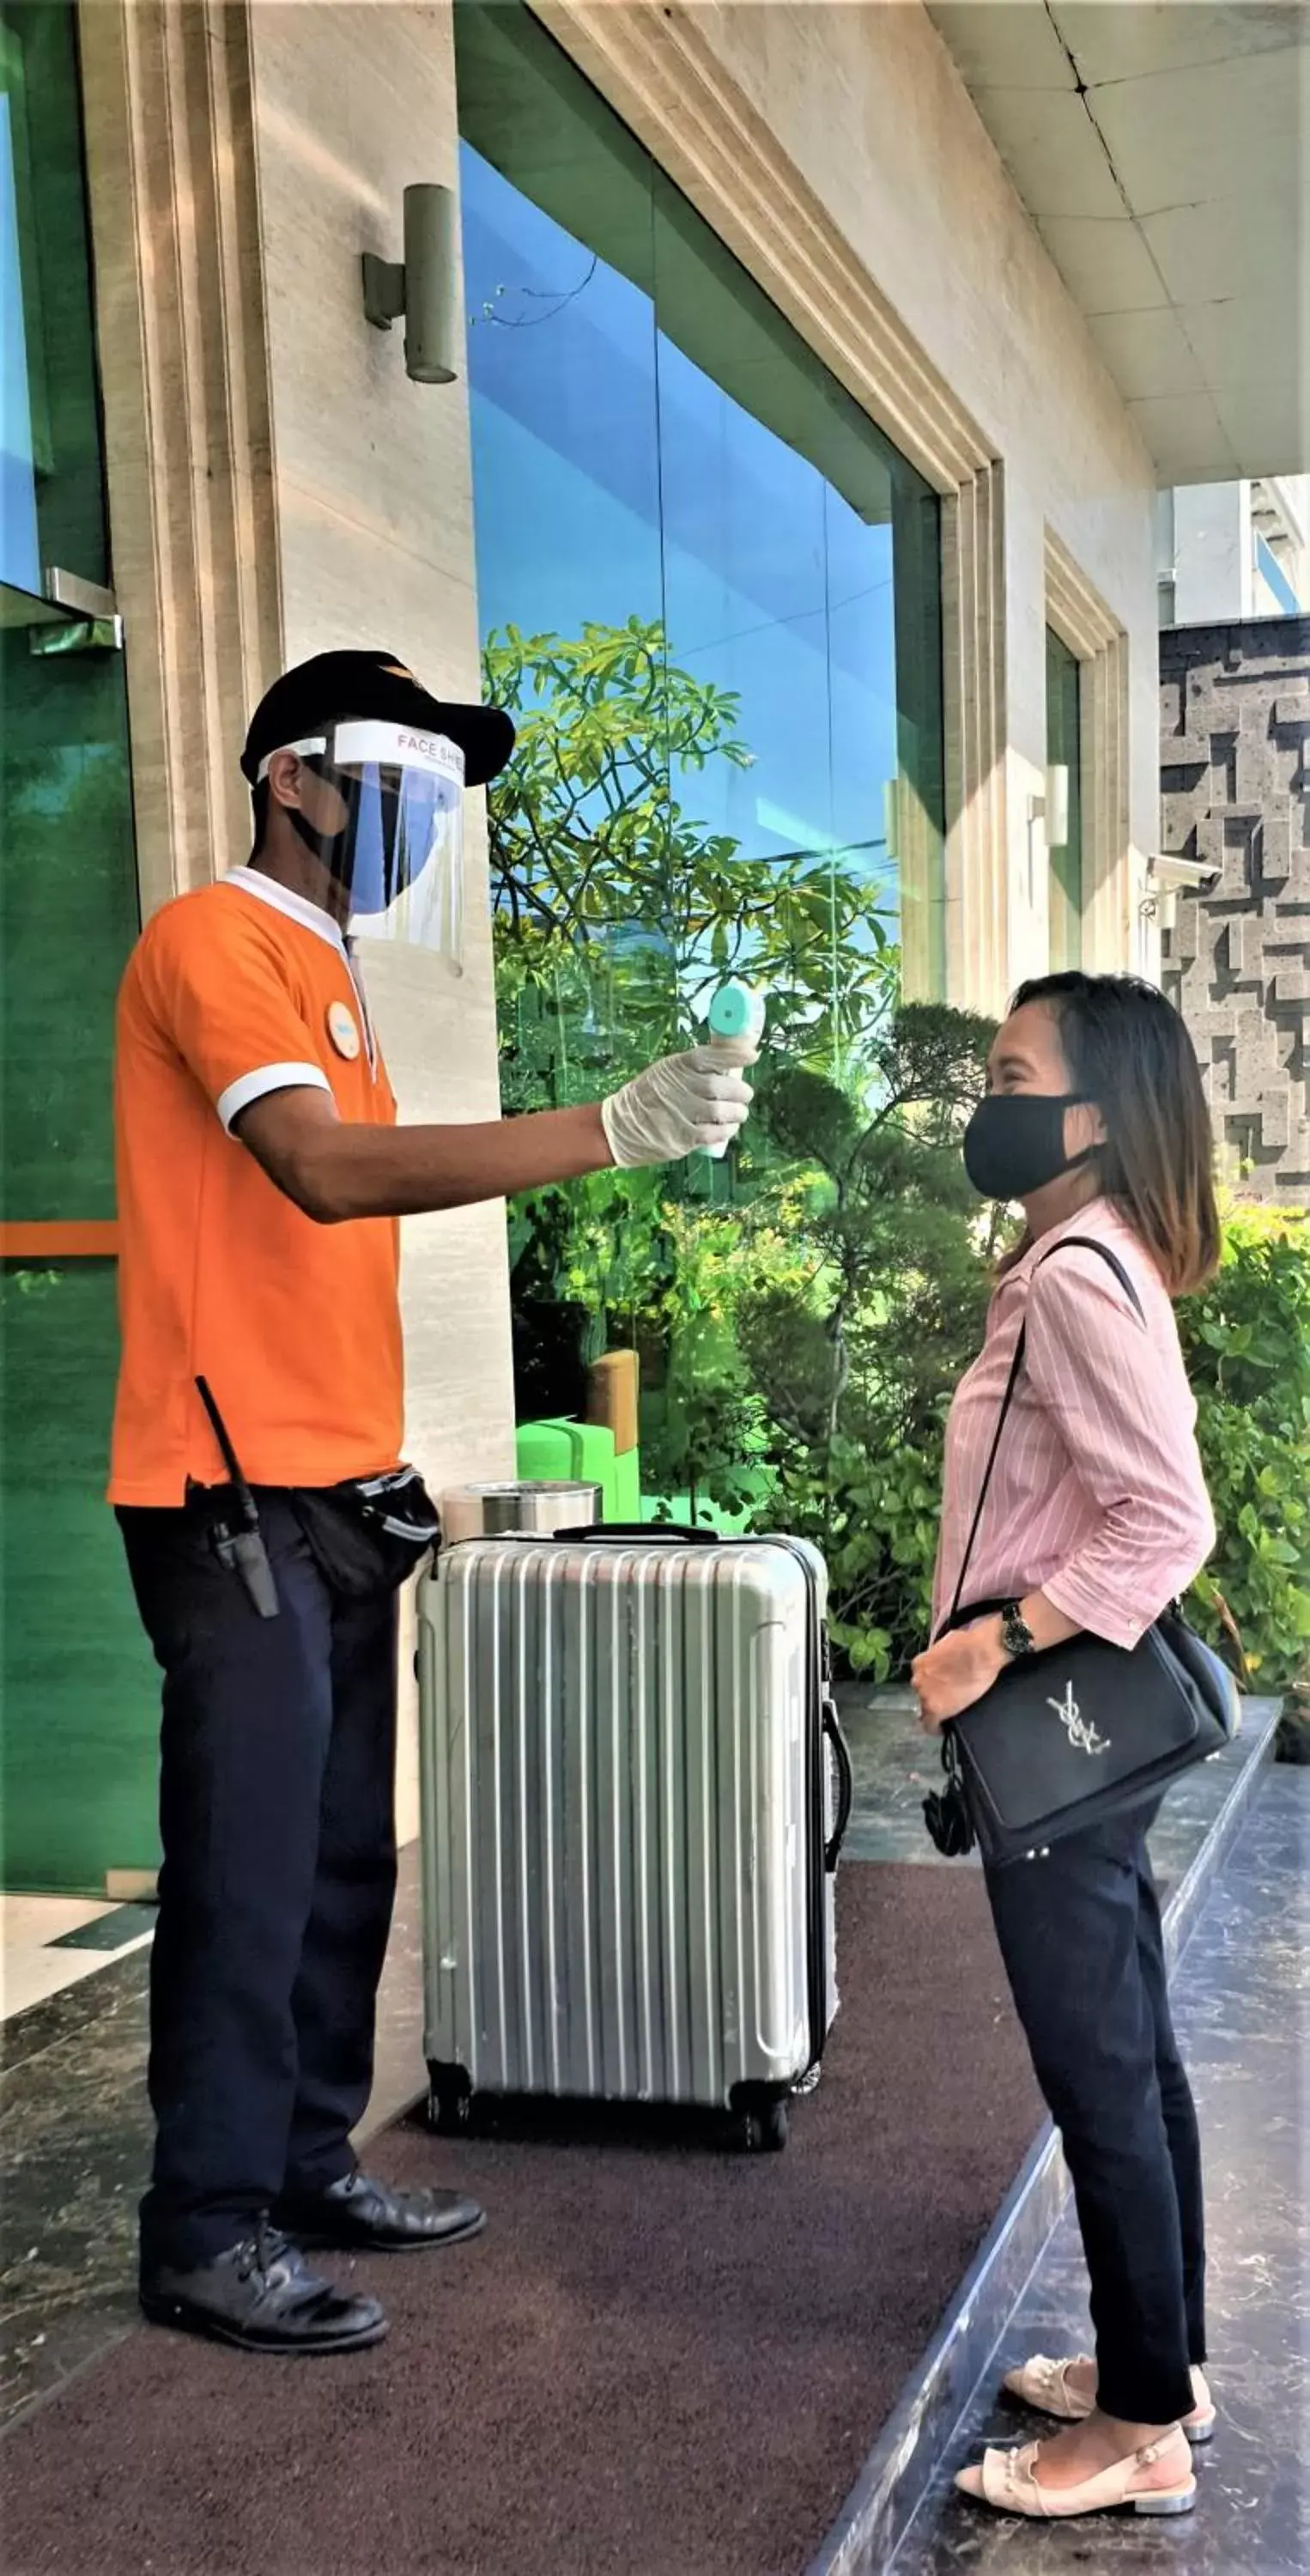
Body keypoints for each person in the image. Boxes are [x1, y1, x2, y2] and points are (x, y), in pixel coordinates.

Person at [111, 649, 755, 2356]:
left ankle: (307, 2162)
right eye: (396, 775)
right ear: (291, 781)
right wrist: (603, 1131)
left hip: (331, 1487)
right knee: (247, 1870)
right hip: (221, 1483)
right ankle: (205, 2224)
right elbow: (319, 1174)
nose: (421, 812)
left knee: (333, 1859)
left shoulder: (328, 968)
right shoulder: (213, 940)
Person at [910, 970, 1220, 2524]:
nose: (990, 1100)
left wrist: (991, 1640)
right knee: (1133, 2045)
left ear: (1090, 1116)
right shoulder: (1086, 1258)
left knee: (1098, 2067)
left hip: (1049, 1724)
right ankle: (1162, 2361)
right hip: (1068, 1733)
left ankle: (1140, 2428)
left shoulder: (1074, 1277)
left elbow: (1166, 1520)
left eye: (1013, 1073)